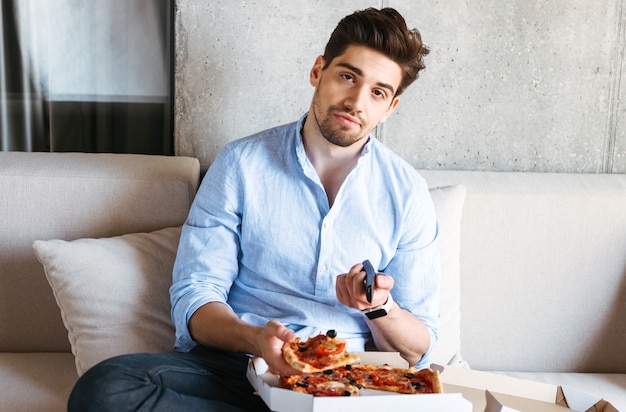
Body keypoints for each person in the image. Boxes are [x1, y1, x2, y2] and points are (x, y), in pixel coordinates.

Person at [68, 7, 439, 412]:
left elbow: (418, 346)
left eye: (378, 92)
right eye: (347, 77)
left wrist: (379, 307)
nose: (356, 101)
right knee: (106, 389)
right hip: (237, 367)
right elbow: (196, 298)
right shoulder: (241, 163)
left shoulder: (407, 192)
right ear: (318, 71)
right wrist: (254, 337)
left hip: (344, 378)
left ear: (391, 108)